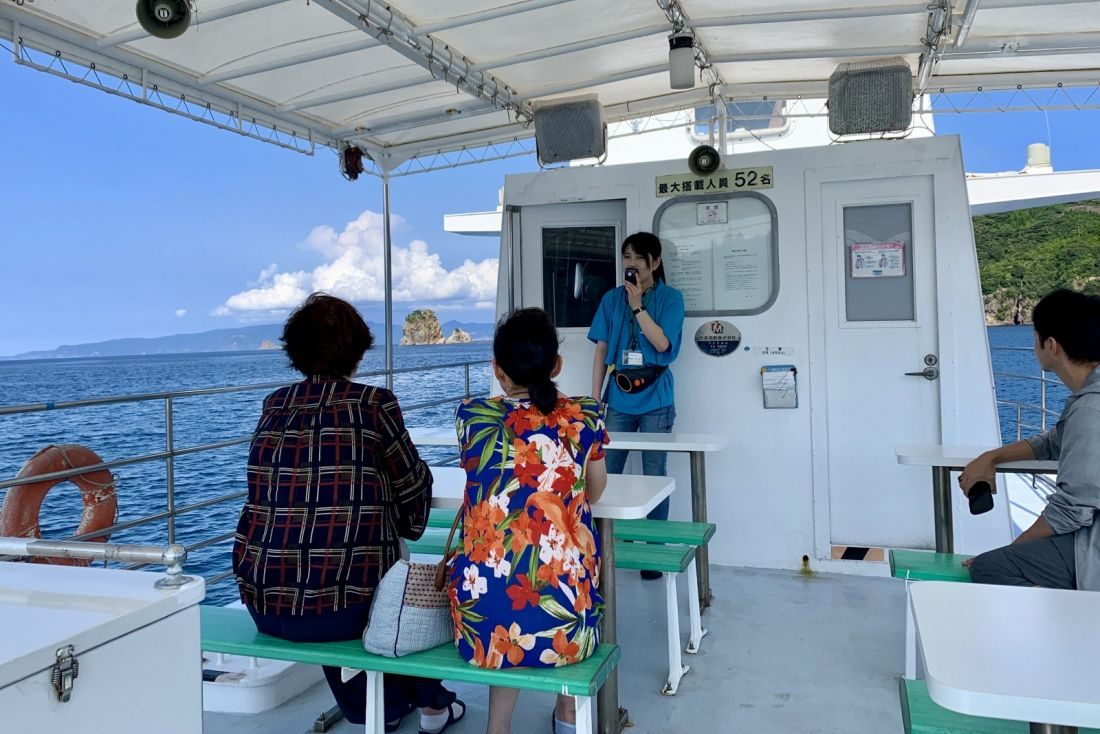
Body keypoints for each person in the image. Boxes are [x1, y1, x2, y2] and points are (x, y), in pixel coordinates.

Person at [232, 293, 464, 734]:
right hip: (346, 608)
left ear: (295, 351)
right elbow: (415, 497)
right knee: (381, 583)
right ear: (358, 351)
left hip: (262, 600)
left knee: (329, 566)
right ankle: (431, 705)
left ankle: (385, 707)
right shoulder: (374, 405)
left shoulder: (275, 405)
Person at [451, 308, 608, 734]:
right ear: (557, 366)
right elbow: (594, 491)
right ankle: (568, 715)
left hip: (483, 622)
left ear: (498, 370)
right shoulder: (585, 415)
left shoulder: (472, 415)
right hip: (569, 624)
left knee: (511, 600)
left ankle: (497, 727)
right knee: (568, 567)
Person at [960, 289, 1100, 589]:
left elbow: (1070, 510)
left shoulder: (1091, 408)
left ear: (1050, 345)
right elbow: (1053, 443)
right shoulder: (1089, 398)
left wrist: (1013, 550)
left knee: (989, 567)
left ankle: (1075, 629)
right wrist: (991, 458)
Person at [587, 232, 684, 579]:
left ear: (655, 263)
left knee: (654, 474)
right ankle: (597, 549)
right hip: (619, 396)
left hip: (656, 397)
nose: (630, 263)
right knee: (605, 472)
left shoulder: (671, 299)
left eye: (638, 257)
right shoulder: (611, 299)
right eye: (626, 256)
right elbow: (600, 349)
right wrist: (594, 398)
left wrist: (638, 304)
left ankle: (652, 554)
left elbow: (663, 343)